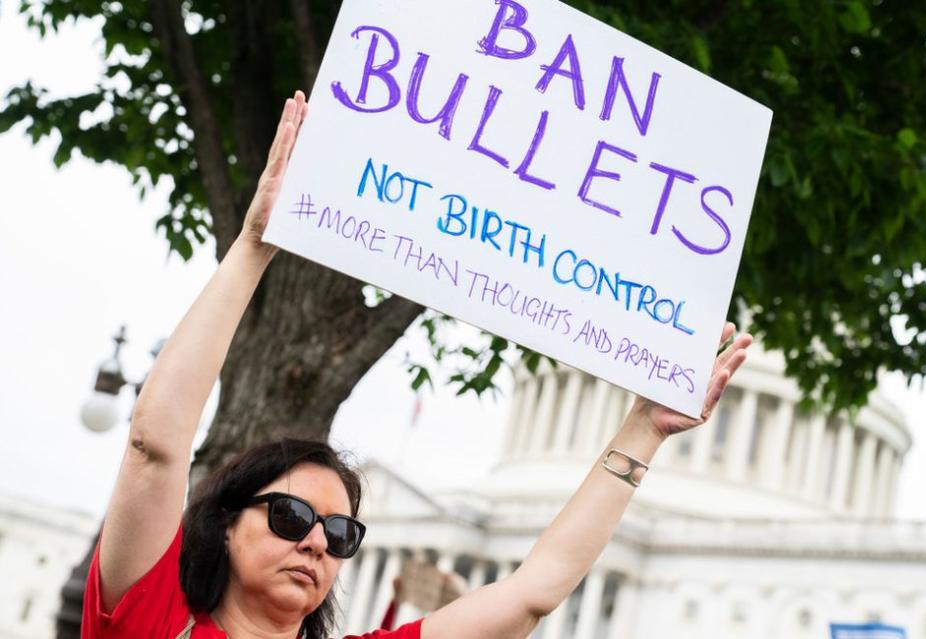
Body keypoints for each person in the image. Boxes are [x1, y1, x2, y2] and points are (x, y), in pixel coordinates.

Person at [81, 90, 752, 639]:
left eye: (340, 534)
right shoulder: (150, 620)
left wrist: (643, 429)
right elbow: (154, 446)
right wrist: (256, 243)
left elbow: (532, 592)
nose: (317, 543)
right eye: (290, 517)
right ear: (224, 522)